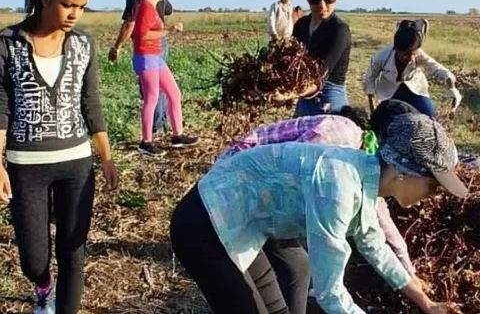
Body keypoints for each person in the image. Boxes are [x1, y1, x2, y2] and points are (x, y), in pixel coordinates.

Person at [170, 110, 467, 314]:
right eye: (432, 186)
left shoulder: (363, 177)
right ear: (405, 172)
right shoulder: (338, 187)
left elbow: (376, 247)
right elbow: (330, 293)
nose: (432, 196)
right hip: (204, 225)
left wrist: (426, 303)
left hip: (245, 225)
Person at [216, 101, 420, 314]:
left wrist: (409, 273)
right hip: (240, 187)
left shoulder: (366, 166)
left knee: (299, 268)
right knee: (295, 267)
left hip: (264, 198)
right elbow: (295, 171)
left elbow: (375, 222)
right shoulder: (343, 136)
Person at [0, 0, 118, 314]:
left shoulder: (83, 45)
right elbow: (0, 106)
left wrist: (107, 157)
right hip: (26, 166)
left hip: (76, 166)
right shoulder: (9, 43)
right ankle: (41, 285)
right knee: (34, 258)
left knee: (73, 250)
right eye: (67, 4)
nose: (74, 14)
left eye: (81, 7)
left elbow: (91, 104)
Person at [132, 0, 199, 155]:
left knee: (174, 93)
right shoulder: (146, 7)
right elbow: (142, 35)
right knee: (152, 98)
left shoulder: (151, 7)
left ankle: (178, 136)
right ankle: (145, 142)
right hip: (146, 58)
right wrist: (168, 30)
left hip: (155, 57)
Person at [108, 0, 174, 135]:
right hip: (161, 43)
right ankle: (162, 125)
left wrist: (118, 46)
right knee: (161, 87)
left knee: (150, 89)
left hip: (146, 47)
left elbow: (129, 24)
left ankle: (155, 128)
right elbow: (168, 10)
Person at [363, 19, 462, 117]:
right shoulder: (382, 56)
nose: (410, 58)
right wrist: (373, 108)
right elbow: (370, 79)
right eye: (406, 55)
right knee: (388, 120)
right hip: (389, 92)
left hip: (414, 90)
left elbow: (437, 69)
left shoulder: (419, 55)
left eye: (413, 54)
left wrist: (451, 84)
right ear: (396, 49)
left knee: (429, 116)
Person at [290, 0, 352, 116]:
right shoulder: (302, 25)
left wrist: (288, 93)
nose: (322, 5)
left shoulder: (339, 30)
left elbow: (320, 77)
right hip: (304, 98)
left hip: (330, 100)